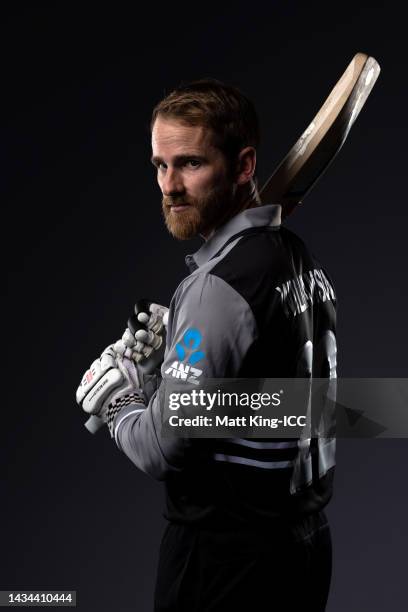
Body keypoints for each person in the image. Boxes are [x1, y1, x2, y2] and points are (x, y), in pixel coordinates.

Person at [76, 79, 337, 611]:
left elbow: (161, 448)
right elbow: (268, 398)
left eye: (190, 164)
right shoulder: (296, 258)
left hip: (225, 563)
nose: (169, 185)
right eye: (159, 165)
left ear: (244, 166)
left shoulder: (219, 287)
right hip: (302, 547)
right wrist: (180, 349)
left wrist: (122, 399)